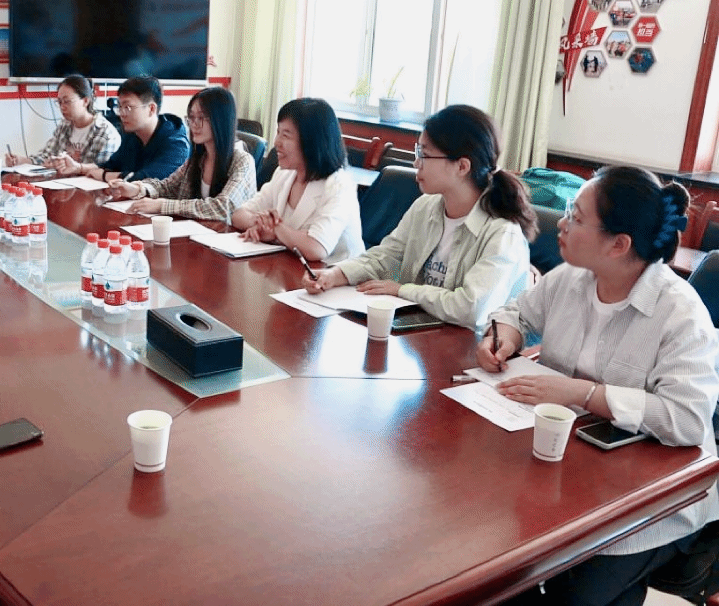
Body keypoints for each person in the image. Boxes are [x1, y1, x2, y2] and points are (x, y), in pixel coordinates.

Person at [477, 166, 719, 606]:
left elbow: (685, 420)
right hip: (566, 470)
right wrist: (505, 337)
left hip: (650, 501)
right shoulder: (571, 277)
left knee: (569, 594)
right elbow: (517, 313)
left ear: (619, 244)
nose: (561, 223)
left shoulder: (680, 313)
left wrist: (583, 394)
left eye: (576, 216)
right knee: (496, 564)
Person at [303, 105, 537, 331]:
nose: (416, 163)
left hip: (472, 346)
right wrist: (335, 275)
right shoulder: (426, 207)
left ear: (462, 166)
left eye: (424, 155)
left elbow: (471, 308)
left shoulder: (502, 232)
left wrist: (402, 290)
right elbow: (386, 256)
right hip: (420, 334)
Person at [231, 97, 363, 264]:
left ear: (312, 142)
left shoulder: (339, 185)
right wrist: (260, 223)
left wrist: (276, 229)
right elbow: (238, 215)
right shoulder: (284, 174)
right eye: (278, 132)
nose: (276, 142)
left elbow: (316, 248)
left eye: (286, 135)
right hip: (292, 268)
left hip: (336, 274)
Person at [106, 86, 256, 223]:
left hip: (226, 238)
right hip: (197, 235)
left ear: (221, 121)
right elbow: (167, 187)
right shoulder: (199, 158)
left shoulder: (242, 161)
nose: (194, 124)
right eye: (191, 117)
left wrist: (162, 205)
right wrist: (138, 189)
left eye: (201, 118)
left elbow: (222, 208)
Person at [50, 76, 189, 182]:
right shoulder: (132, 135)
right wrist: (78, 167)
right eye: (120, 106)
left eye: (128, 107)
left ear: (151, 109)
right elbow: (110, 165)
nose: (122, 114)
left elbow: (148, 179)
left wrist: (104, 176)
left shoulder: (176, 143)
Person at [4, 75, 120, 168]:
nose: (62, 107)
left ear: (85, 101)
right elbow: (46, 155)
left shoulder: (105, 134)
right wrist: (22, 160)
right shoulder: (65, 125)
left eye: (67, 101)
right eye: (59, 102)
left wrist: (65, 167)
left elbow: (99, 171)